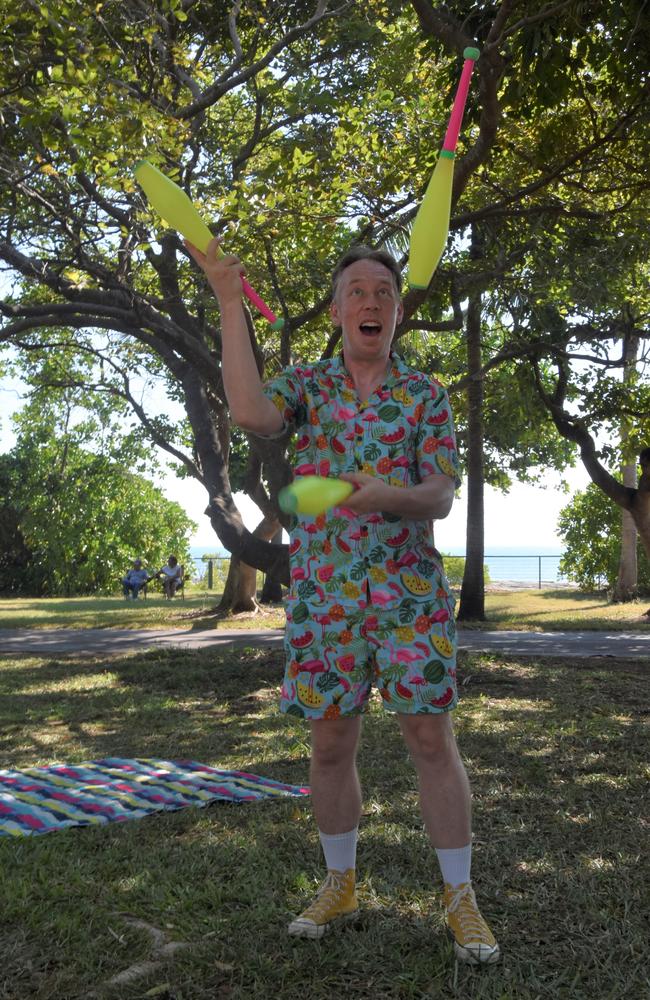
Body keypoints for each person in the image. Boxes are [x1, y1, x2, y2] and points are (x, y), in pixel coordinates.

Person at [185, 237, 499, 966]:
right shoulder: (308, 387)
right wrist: (230, 297)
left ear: (395, 315)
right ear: (336, 310)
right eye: (357, 291)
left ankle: (460, 897)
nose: (372, 301)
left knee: (429, 739)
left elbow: (442, 496)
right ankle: (340, 884)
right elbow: (252, 412)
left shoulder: (424, 395)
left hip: (411, 596)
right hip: (326, 598)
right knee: (330, 745)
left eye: (384, 293)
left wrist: (392, 497)